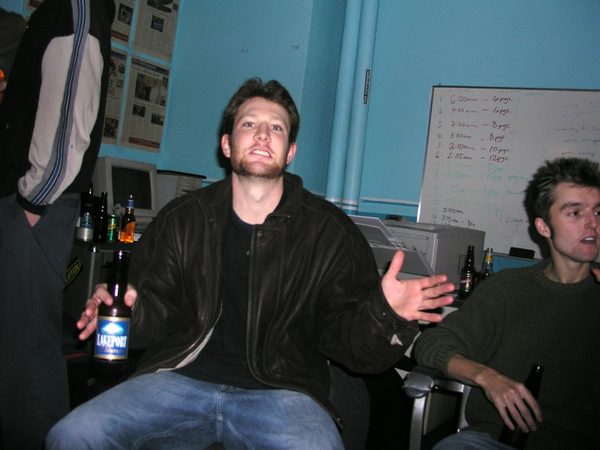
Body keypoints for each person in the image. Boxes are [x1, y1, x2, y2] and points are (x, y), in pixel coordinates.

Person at [46, 78, 455, 449]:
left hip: (283, 391)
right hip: (180, 378)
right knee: (71, 435)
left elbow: (353, 350)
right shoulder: (183, 219)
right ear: (226, 145)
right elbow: (152, 317)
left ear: (290, 152)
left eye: (276, 127)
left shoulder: (330, 233)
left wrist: (386, 315)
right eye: (249, 124)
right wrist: (125, 310)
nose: (262, 134)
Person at [413, 156, 600, 449]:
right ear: (544, 227)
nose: (592, 224)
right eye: (575, 213)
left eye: (598, 211)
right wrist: (486, 377)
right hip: (495, 441)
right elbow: (431, 345)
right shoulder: (507, 289)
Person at [0, 1, 115, 448]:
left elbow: (68, 123)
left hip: (33, 205)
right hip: (29, 202)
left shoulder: (76, 8)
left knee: (25, 357)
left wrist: (33, 202)